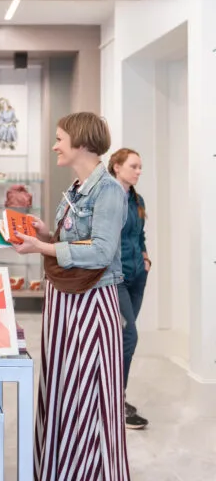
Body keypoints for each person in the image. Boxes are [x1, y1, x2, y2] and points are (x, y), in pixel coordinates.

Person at [11, 112, 129, 480]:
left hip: (90, 306)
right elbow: (74, 242)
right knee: (64, 390)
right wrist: (46, 234)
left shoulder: (107, 190)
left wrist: (43, 249)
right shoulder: (78, 187)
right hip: (66, 302)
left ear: (80, 141)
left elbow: (100, 253)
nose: (55, 145)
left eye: (60, 138)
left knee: (88, 394)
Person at [109, 147, 150, 430]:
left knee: (123, 339)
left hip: (137, 277)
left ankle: (114, 395)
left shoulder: (137, 199)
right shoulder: (109, 199)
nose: (138, 171)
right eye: (134, 166)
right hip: (117, 279)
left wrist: (146, 258)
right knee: (129, 336)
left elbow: (140, 234)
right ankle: (115, 403)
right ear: (117, 167)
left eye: (140, 167)